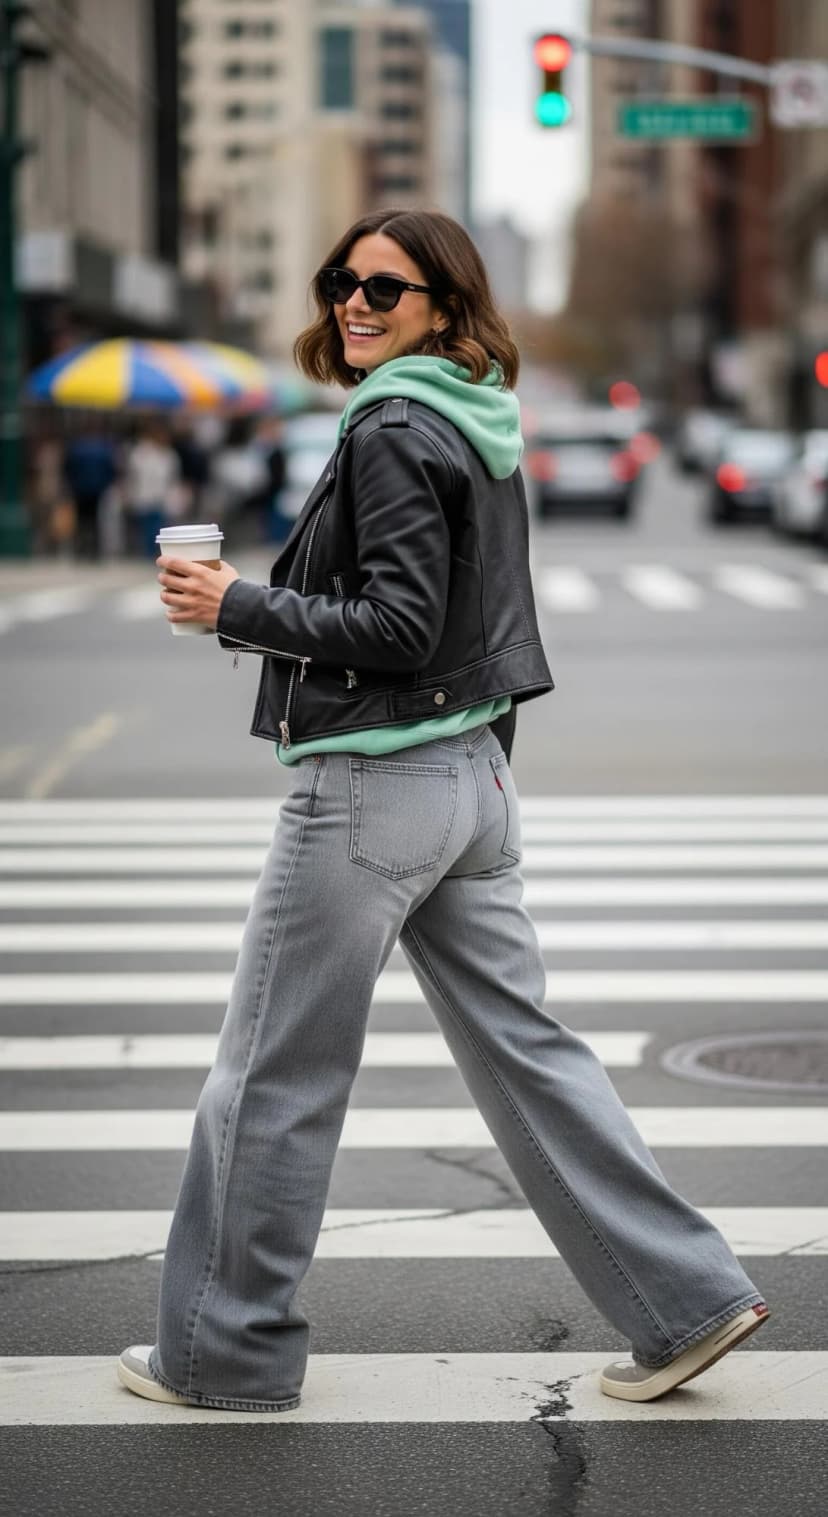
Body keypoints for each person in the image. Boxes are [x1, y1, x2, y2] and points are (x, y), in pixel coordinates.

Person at [119, 208, 768, 1413]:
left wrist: (237, 604)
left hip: (375, 785)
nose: (357, 304)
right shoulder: (478, 423)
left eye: (388, 287)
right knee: (532, 1058)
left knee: (269, 1073)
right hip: (470, 778)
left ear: (444, 306)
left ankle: (224, 1353)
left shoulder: (390, 427)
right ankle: (688, 1298)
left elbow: (400, 626)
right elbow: (476, 622)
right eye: (343, 282)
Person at [123, 422, 182, 558]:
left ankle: (157, 551)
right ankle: (149, 552)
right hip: (144, 495)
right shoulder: (141, 453)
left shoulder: (169, 455)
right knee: (147, 526)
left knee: (159, 526)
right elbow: (133, 474)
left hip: (162, 496)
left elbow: (172, 477)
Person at [63, 422, 118, 559]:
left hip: (79, 489)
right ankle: (95, 550)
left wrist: (72, 484)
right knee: (95, 520)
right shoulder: (103, 448)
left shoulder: (76, 448)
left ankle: (81, 549)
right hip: (97, 489)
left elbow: (68, 468)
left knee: (81, 520)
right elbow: (111, 469)